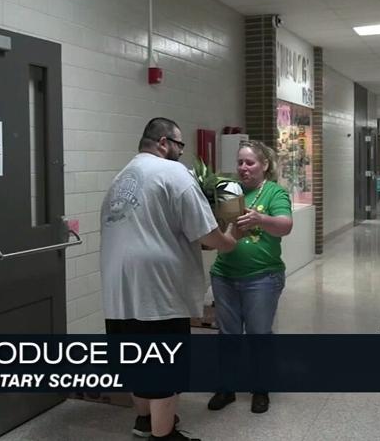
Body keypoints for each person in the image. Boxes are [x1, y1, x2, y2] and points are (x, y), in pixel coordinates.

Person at [100, 117, 239, 441]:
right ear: (163, 142)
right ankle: (164, 436)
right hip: (157, 291)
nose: (181, 152)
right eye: (179, 145)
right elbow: (207, 233)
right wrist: (231, 239)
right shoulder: (173, 172)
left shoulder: (122, 177)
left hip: (118, 289)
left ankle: (145, 421)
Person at [206, 140, 292, 414]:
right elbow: (218, 227)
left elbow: (285, 226)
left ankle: (260, 388)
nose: (243, 168)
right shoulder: (229, 192)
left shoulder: (274, 192)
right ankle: (227, 388)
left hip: (262, 278)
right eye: (240, 162)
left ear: (264, 165)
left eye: (250, 162)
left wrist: (260, 220)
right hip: (224, 276)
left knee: (258, 335)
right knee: (227, 335)